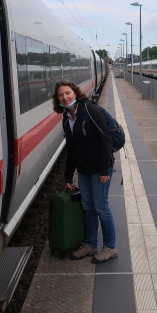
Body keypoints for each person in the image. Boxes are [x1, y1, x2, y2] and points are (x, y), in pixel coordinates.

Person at [52, 80, 117, 263]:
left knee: (101, 207)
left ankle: (110, 247)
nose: (65, 97)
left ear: (75, 93)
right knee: (87, 206)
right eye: (60, 95)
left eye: (67, 93)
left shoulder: (90, 110)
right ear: (58, 99)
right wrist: (67, 175)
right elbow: (71, 149)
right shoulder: (67, 118)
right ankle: (90, 244)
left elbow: (105, 140)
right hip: (84, 169)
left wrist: (104, 168)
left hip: (100, 168)